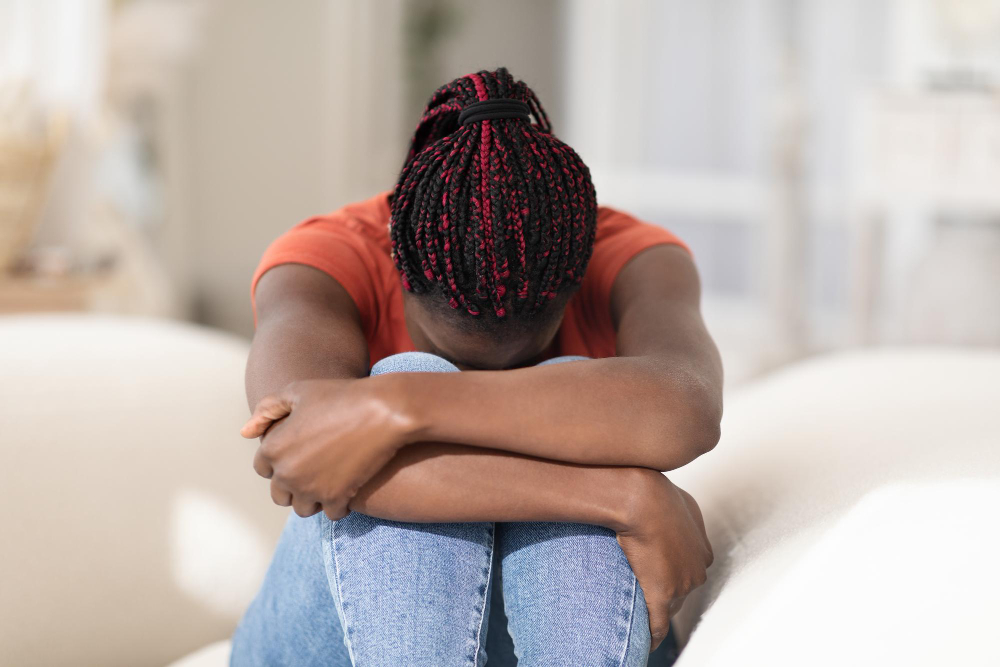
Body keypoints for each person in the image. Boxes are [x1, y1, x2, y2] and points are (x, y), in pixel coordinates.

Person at [231, 68, 722, 667]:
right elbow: (296, 455)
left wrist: (398, 411)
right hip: (338, 637)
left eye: (523, 355)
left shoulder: (628, 257)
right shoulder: (325, 261)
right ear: (397, 263)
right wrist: (623, 494)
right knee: (421, 373)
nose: (490, 369)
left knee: (553, 381)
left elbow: (687, 408)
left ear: (577, 275)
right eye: (457, 346)